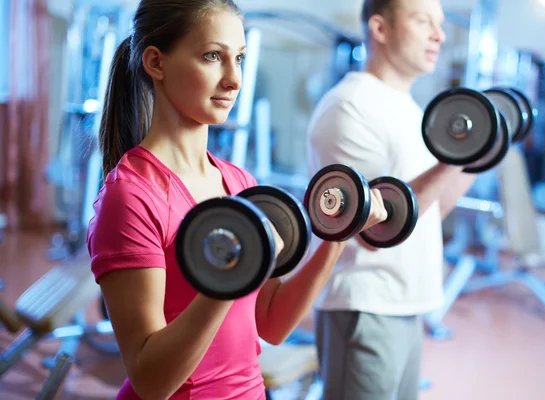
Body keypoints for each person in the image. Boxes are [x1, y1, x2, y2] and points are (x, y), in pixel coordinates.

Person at [86, 1, 388, 399]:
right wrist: (230, 277)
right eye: (213, 56)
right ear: (156, 63)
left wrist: (337, 234)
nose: (234, 80)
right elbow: (150, 380)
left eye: (240, 59)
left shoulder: (239, 181)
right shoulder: (131, 196)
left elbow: (271, 322)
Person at [306, 0, 482, 399]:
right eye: (424, 22)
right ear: (380, 29)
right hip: (366, 306)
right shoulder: (350, 106)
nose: (440, 34)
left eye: (439, 23)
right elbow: (372, 229)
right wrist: (451, 157)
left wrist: (476, 155)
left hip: (409, 303)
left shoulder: (408, 106)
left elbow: (430, 210)